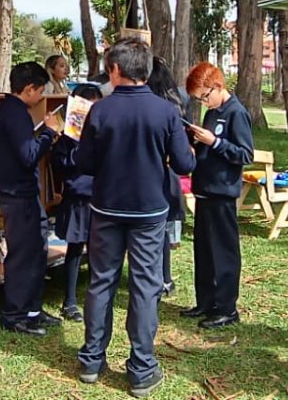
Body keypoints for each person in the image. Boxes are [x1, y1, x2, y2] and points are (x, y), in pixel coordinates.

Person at [75, 38, 195, 398]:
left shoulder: (100, 111)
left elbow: (83, 163)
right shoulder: (166, 112)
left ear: (115, 69)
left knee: (101, 282)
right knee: (145, 286)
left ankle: (91, 361)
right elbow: (185, 164)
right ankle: (141, 369)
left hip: (107, 208)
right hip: (149, 210)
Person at [181, 62, 253, 330]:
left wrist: (215, 142)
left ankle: (226, 307)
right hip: (204, 190)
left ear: (218, 87)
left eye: (204, 96)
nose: (203, 102)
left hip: (223, 192)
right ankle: (205, 302)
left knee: (223, 252)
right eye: (199, 99)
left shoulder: (236, 113)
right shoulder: (212, 112)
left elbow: (245, 154)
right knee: (204, 251)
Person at [0, 61, 62, 336]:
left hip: (25, 193)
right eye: (41, 91)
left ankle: (33, 310)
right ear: (29, 88)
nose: (42, 97)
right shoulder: (15, 113)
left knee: (36, 251)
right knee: (23, 254)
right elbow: (29, 155)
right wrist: (48, 132)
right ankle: (14, 314)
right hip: (17, 194)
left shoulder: (15, 111)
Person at [49, 83, 105, 322]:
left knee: (99, 250)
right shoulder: (68, 137)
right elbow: (60, 163)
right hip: (78, 197)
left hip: (101, 197)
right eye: (88, 103)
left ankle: (98, 298)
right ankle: (69, 301)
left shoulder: (105, 130)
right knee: (74, 247)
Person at [146, 58, 187, 296]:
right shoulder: (175, 104)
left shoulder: (157, 109)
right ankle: (165, 278)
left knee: (153, 230)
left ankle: (158, 278)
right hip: (168, 174)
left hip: (155, 175)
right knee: (161, 230)